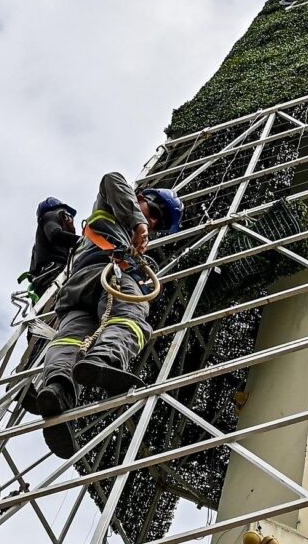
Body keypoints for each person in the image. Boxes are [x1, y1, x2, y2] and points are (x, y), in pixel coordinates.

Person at [20, 173, 186, 457]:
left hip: (77, 289)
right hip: (108, 275)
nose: (154, 223)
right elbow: (111, 179)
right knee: (132, 318)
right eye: (155, 213)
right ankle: (105, 357)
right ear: (142, 199)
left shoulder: (114, 230)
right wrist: (139, 223)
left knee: (69, 339)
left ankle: (57, 389)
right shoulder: (117, 207)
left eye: (158, 225)